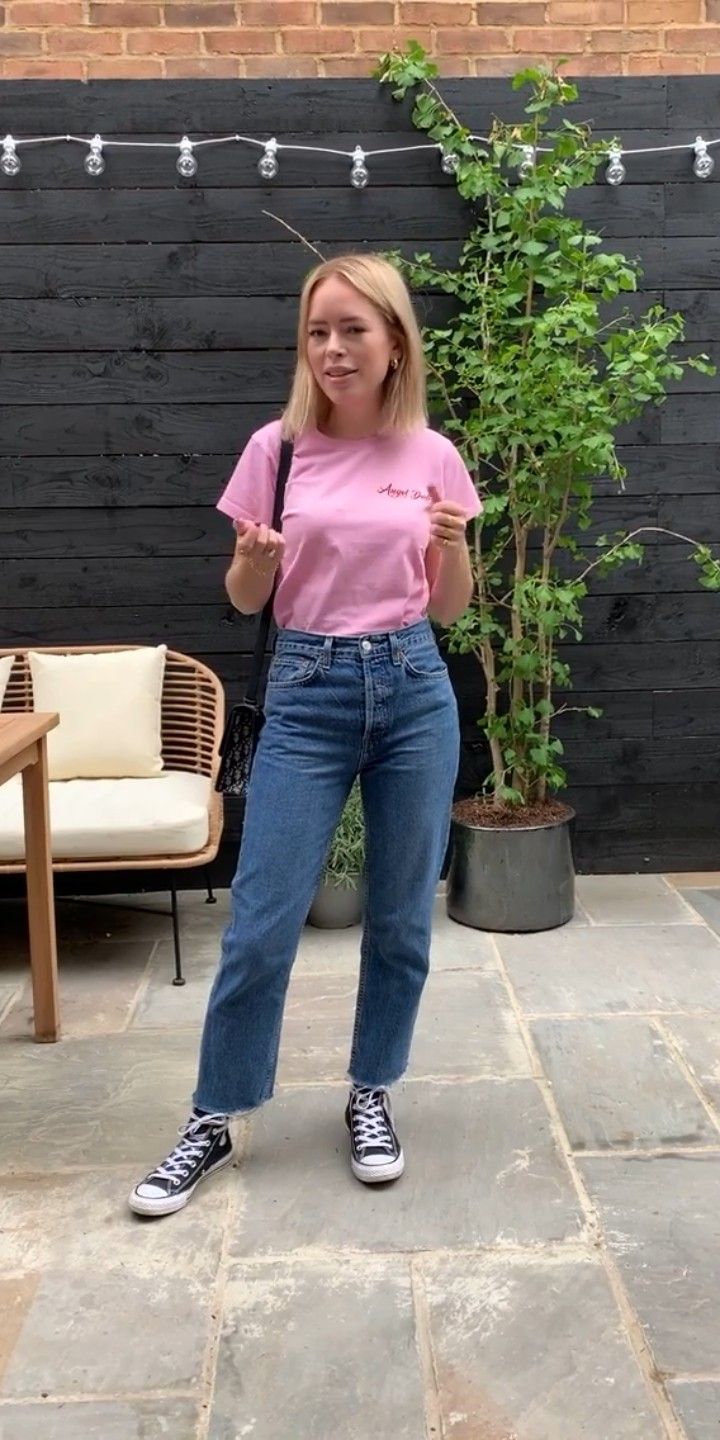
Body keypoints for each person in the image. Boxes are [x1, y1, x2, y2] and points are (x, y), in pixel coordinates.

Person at [129, 251, 482, 1218]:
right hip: (309, 689)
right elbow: (246, 600)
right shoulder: (275, 450)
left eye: (352, 330)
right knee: (260, 920)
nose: (332, 349)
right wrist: (251, 560)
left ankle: (372, 1092)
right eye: (318, 332)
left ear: (394, 343)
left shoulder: (434, 457)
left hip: (413, 686)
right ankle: (214, 1112)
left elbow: (450, 610)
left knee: (404, 918)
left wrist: (450, 550)